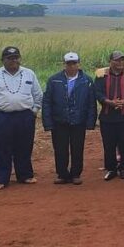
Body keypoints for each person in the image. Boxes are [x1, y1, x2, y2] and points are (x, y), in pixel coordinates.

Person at [0, 47, 43, 190]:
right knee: (1, 148)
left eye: (16, 57)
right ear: (3, 60)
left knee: (24, 146)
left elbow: (38, 94)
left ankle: (25, 175)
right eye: (9, 58)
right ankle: (2, 178)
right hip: (2, 116)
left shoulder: (29, 74)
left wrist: (34, 111)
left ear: (19, 58)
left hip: (25, 116)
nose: (13, 60)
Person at [42, 52, 97, 185]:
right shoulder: (54, 80)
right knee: (60, 149)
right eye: (69, 63)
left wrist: (91, 122)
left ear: (79, 63)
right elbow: (47, 102)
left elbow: (91, 103)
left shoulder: (87, 80)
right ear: (64, 64)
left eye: (74, 63)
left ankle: (76, 174)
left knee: (77, 148)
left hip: (79, 120)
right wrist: (47, 122)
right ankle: (62, 174)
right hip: (59, 120)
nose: (72, 66)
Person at [94, 50, 124, 181]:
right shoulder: (101, 75)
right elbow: (97, 92)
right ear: (111, 62)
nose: (120, 62)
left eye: (122, 60)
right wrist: (109, 102)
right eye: (117, 60)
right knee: (109, 144)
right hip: (107, 116)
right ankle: (111, 169)